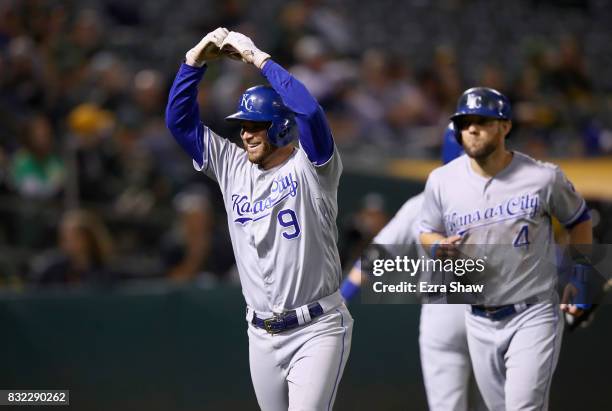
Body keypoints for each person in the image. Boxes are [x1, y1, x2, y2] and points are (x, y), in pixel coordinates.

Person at [165, 28, 352, 411]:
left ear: (281, 126)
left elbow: (310, 112)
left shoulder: (313, 168)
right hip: (261, 333)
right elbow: (179, 124)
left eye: (255, 125)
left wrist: (259, 59)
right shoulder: (232, 165)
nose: (246, 134)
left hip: (317, 327)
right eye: (243, 126)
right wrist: (192, 64)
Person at [419, 87, 592, 410]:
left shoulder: (542, 177)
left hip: (533, 312)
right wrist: (437, 246)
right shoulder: (441, 181)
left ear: (505, 126)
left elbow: (579, 220)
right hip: (478, 318)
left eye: (482, 121)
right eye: (465, 121)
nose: (471, 128)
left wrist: (580, 277)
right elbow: (426, 231)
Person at [340, 123, 486, 411]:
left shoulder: (420, 204)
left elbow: (372, 259)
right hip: (489, 309)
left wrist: (342, 297)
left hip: (441, 313)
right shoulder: (499, 200)